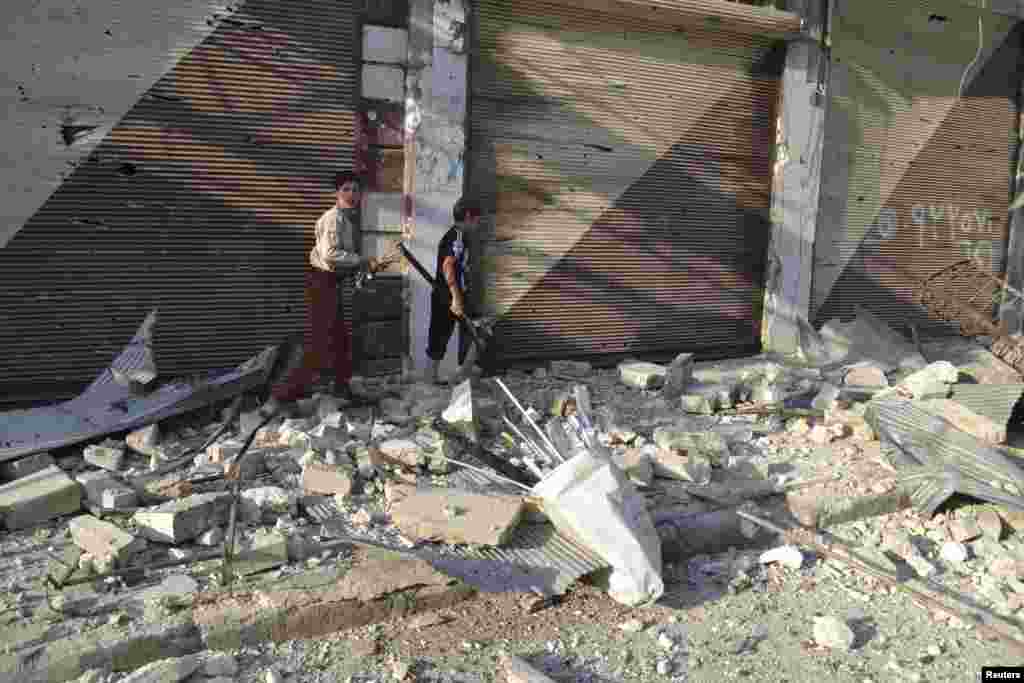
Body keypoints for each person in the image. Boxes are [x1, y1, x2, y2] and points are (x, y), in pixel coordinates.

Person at [262, 171, 384, 414]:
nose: (351, 194)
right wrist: (361, 261)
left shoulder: (346, 221)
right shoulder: (334, 218)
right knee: (316, 343)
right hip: (321, 284)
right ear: (336, 194)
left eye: (355, 190)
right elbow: (330, 255)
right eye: (346, 189)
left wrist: (360, 267)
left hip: (331, 283)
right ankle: (277, 398)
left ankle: (342, 388)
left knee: (339, 339)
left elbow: (341, 260)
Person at [426, 197, 481, 384]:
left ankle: (461, 374)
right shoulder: (457, 236)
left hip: (452, 294)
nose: (478, 222)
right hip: (447, 296)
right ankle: (437, 378)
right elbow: (448, 265)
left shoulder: (459, 236)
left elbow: (455, 265)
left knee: (477, 331)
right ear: (468, 216)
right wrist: (456, 299)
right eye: (476, 218)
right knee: (440, 336)